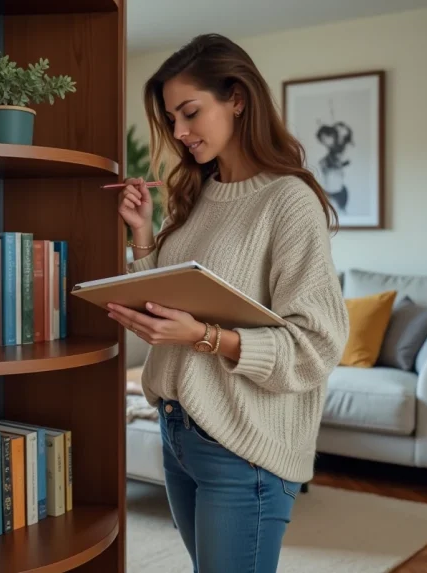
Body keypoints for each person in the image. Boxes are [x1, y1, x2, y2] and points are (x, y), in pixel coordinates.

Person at [109, 34, 350, 573]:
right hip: (178, 430)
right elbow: (165, 303)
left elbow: (316, 346)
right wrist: (144, 236)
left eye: (190, 112)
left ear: (237, 98)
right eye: (172, 119)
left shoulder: (288, 201)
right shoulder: (196, 195)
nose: (179, 132)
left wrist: (203, 336)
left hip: (245, 447)